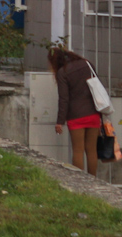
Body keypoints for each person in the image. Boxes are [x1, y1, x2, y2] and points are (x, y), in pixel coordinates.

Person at [50, 45, 102, 175]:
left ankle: (80, 181)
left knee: (78, 150)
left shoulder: (62, 72)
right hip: (93, 113)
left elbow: (64, 99)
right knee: (91, 150)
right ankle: (94, 181)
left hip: (76, 116)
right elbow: (97, 89)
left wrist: (59, 121)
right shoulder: (87, 64)